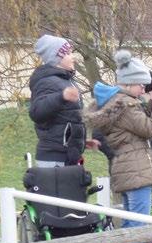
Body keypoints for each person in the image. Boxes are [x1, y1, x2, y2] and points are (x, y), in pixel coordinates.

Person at [83, 50, 152, 243]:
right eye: (142, 85)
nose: (144, 89)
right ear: (129, 83)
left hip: (125, 168)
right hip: (136, 170)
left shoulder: (116, 104)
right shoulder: (126, 105)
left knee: (131, 226)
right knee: (138, 228)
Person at [29, 34, 98, 167]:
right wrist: (61, 97)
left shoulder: (65, 81)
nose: (73, 57)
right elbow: (37, 112)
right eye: (68, 53)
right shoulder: (46, 82)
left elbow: (66, 119)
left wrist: (81, 141)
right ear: (57, 58)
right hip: (54, 158)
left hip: (69, 155)